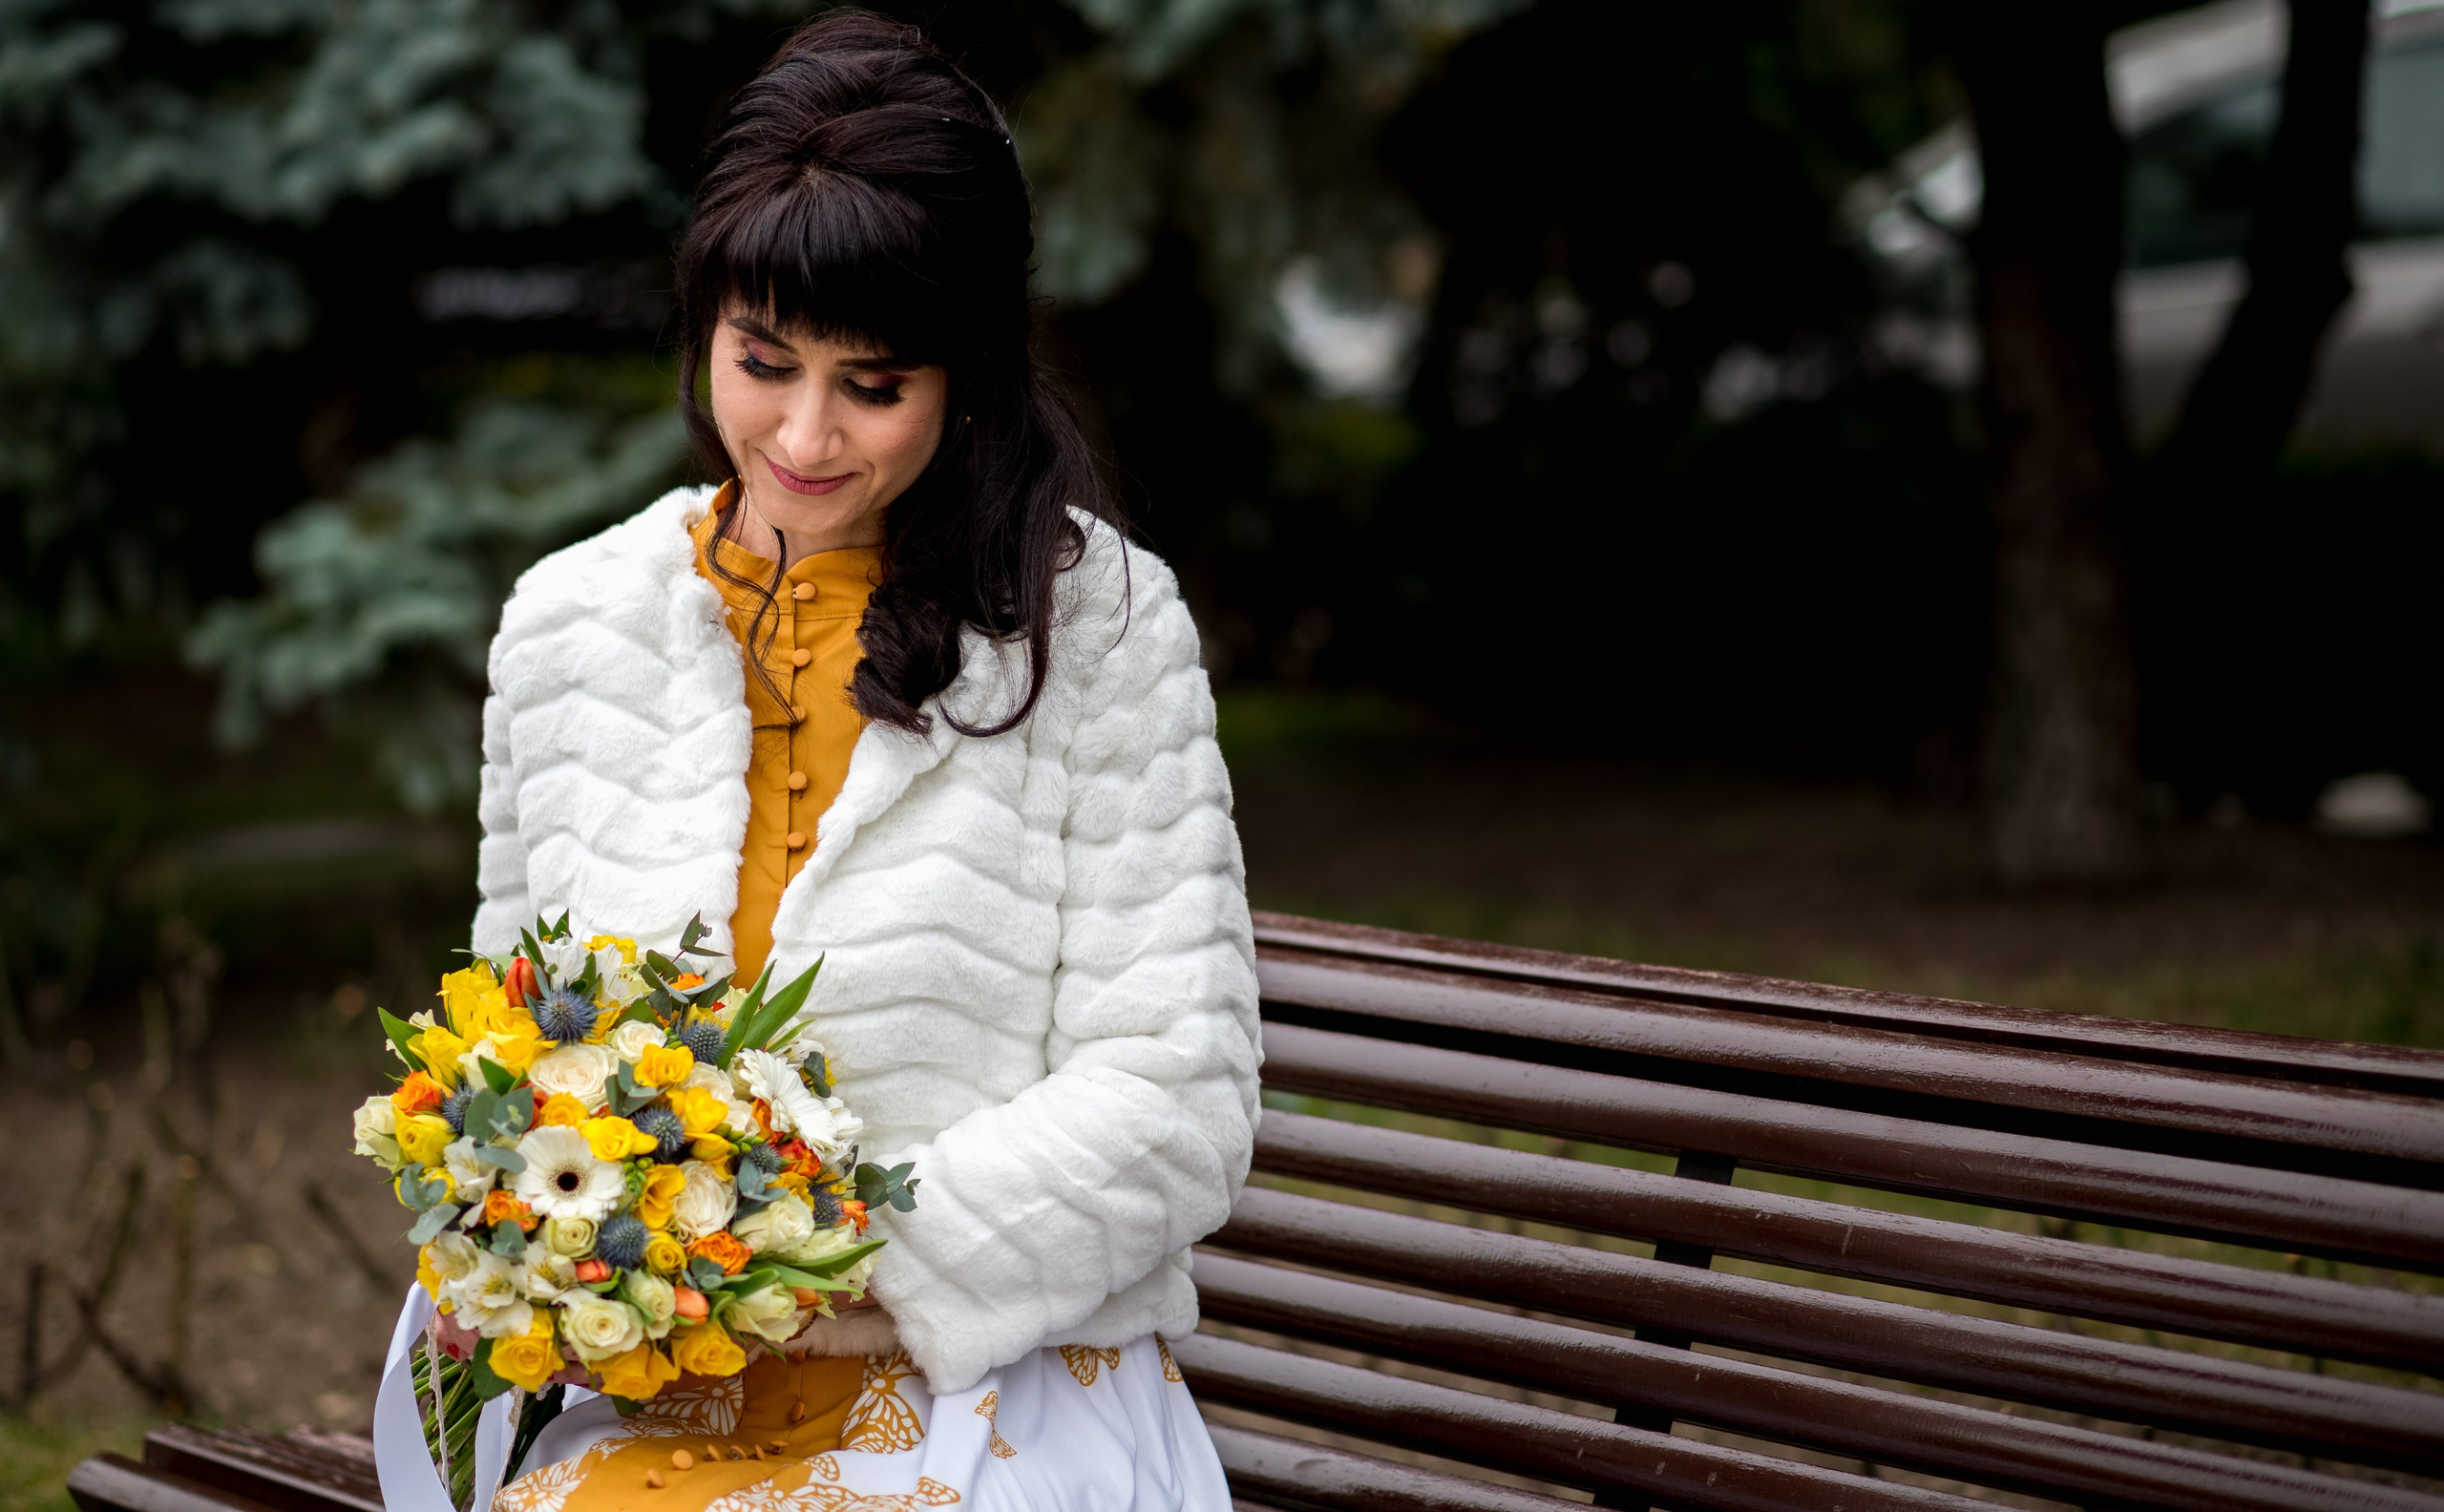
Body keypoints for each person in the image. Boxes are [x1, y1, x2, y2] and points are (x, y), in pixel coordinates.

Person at [463, 12, 1260, 1508]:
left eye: (873, 385)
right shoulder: (573, 623)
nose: (805, 435)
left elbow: (1177, 1092)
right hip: (654, 1401)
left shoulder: (1096, 627)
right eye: (763, 363)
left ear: (965, 375)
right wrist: (529, 1245)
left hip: (993, 1388)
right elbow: (522, 1041)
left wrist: (806, 1265)